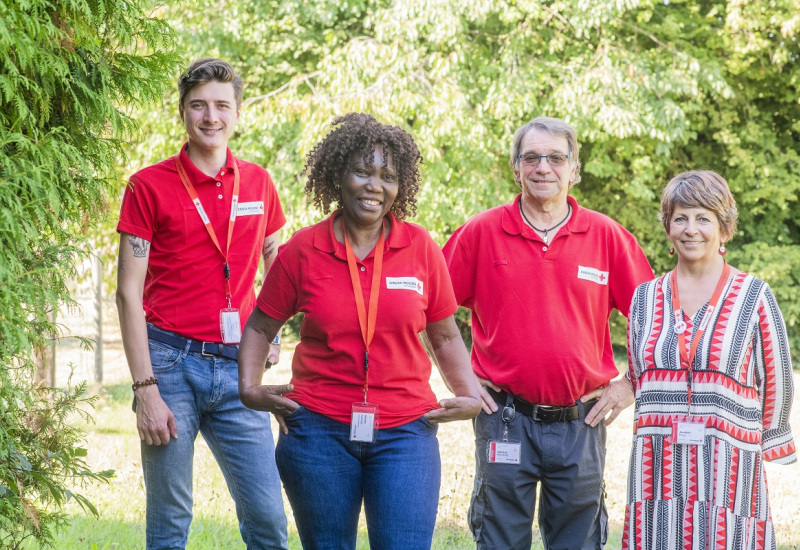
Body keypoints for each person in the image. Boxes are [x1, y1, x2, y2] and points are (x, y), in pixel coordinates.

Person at [237, 112, 481, 550]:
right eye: (362, 171)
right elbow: (259, 325)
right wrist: (249, 388)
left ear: (399, 187)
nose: (374, 185)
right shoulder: (302, 250)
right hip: (317, 430)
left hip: (407, 430)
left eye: (387, 176)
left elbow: (444, 336)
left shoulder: (421, 247)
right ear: (338, 176)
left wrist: (468, 395)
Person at [442, 116, 654, 550]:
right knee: (500, 541)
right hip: (504, 416)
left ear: (574, 169)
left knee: (577, 543)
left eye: (556, 158)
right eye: (532, 157)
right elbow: (431, 312)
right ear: (515, 167)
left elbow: (654, 316)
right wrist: (462, 378)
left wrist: (630, 385)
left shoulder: (607, 236)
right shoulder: (480, 233)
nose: (544, 167)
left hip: (582, 420)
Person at [115, 58, 288, 549]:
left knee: (268, 518)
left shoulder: (258, 182)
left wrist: (268, 331)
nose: (210, 116)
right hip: (169, 366)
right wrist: (146, 390)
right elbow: (128, 293)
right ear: (182, 113)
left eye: (221, 105)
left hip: (239, 369)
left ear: (237, 113)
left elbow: (276, 253)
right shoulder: (147, 186)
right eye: (198, 106)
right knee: (170, 523)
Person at [622, 170, 796, 550]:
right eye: (680, 217)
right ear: (668, 227)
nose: (691, 229)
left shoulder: (754, 296)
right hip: (657, 465)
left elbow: (778, 374)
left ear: (724, 228)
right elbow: (637, 373)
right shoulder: (644, 299)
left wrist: (770, 437)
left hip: (728, 463)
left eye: (703, 218)